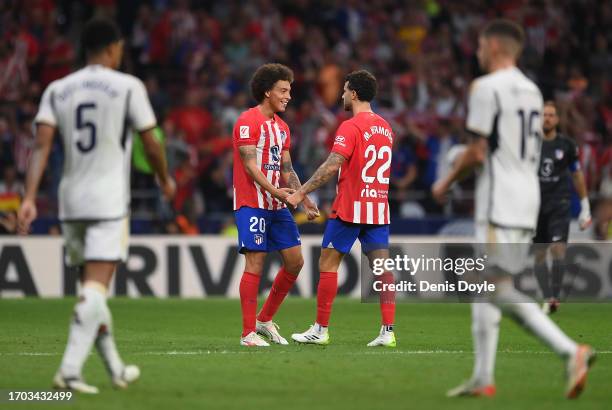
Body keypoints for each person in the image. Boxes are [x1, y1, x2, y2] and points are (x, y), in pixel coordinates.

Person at [432, 19, 594, 399]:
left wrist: (446, 181)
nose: (476, 52)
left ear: (494, 46)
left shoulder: (486, 87)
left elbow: (475, 151)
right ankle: (482, 377)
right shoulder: (533, 91)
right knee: (488, 287)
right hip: (528, 200)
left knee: (495, 286)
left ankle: (571, 351)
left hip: (499, 203)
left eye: (479, 46)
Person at [17, 19, 175, 393]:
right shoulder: (127, 86)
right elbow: (151, 143)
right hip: (108, 201)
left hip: (69, 200)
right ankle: (70, 370)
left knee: (91, 290)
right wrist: (163, 178)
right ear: (112, 48)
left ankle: (116, 368)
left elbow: (41, 146)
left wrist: (27, 197)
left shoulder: (58, 89)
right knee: (96, 289)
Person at [287, 70, 397, 347]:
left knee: (328, 263)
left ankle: (321, 329)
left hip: (350, 206)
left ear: (355, 94)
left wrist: (301, 192)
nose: (342, 95)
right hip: (378, 206)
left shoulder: (351, 126)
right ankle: (388, 331)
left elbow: (332, 164)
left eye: (345, 90)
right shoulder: (386, 126)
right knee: (382, 267)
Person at [233, 63, 319, 347]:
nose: (288, 96)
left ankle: (264, 319)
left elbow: (287, 170)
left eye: (290, 91)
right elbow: (250, 167)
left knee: (295, 261)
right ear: (267, 91)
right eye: (283, 90)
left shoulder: (282, 128)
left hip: (277, 205)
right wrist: (279, 193)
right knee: (255, 262)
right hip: (252, 203)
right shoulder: (247, 121)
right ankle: (248, 334)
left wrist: (304, 199)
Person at [533, 101, 591, 314]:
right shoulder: (531, 144)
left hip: (559, 203)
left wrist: (585, 207)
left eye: (551, 115)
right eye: (544, 115)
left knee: (558, 249)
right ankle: (547, 294)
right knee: (539, 254)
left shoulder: (567, 145)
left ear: (557, 119)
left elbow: (577, 175)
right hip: (535, 205)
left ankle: (553, 297)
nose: (547, 118)